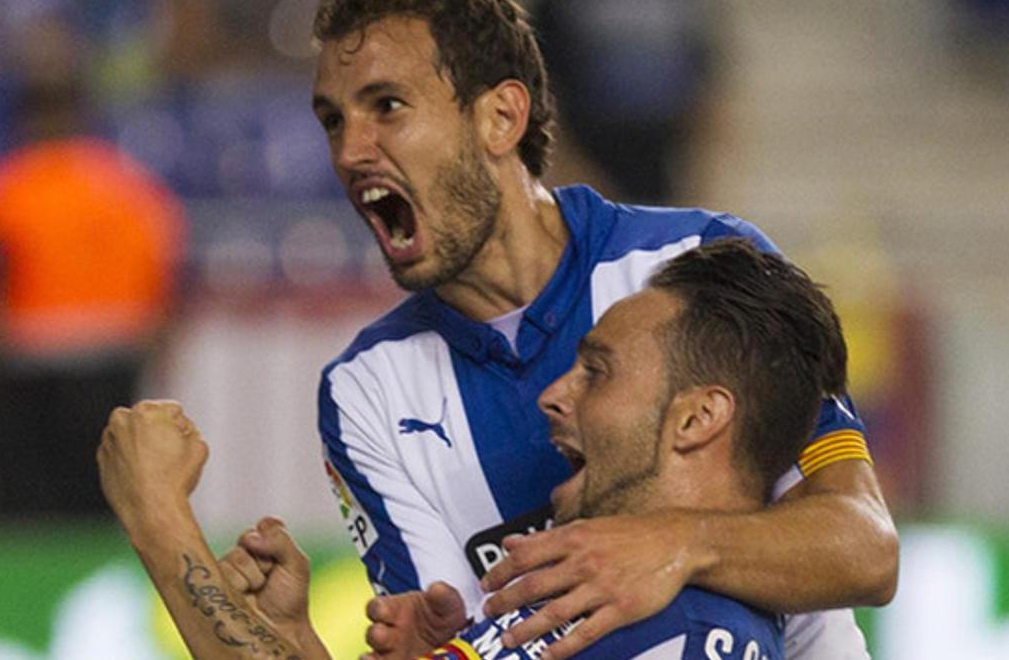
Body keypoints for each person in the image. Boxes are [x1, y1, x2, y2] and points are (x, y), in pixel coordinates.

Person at [307, 0, 895, 658]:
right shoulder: (366, 392)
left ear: (501, 116)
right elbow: (456, 641)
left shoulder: (697, 265)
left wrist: (674, 543)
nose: (350, 151)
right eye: (331, 120)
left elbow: (866, 547)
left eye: (387, 106)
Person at [99, 240, 852, 659]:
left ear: (697, 420)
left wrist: (160, 520)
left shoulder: (674, 634)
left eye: (598, 369)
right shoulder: (604, 605)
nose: (555, 394)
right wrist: (298, 641)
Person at [0, 61, 186, 520]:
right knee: (104, 510)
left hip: (25, 370)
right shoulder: (133, 191)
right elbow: (163, 301)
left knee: (26, 518)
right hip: (111, 365)